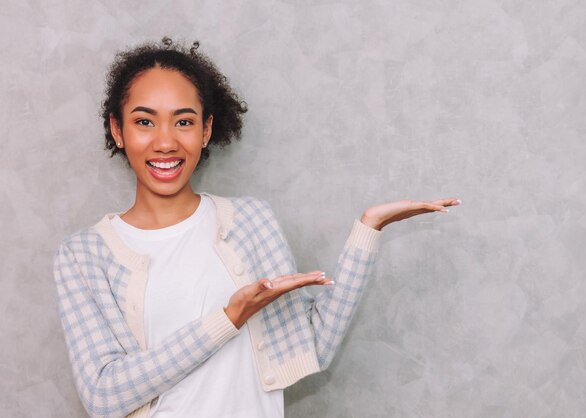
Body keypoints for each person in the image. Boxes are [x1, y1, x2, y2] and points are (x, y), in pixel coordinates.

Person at [53, 37, 461, 418]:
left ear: (206, 129)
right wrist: (228, 318)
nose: (165, 142)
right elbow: (103, 395)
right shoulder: (84, 254)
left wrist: (368, 229)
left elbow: (310, 346)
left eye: (183, 122)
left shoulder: (249, 221)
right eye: (145, 122)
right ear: (117, 129)